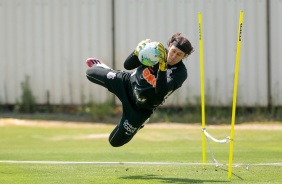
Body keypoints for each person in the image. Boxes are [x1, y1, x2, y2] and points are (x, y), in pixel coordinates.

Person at [86, 32, 194, 147]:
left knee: (114, 141)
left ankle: (139, 123)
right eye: (173, 51)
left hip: (141, 107)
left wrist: (162, 68)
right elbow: (127, 66)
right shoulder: (155, 52)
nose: (173, 56)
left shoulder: (180, 73)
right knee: (90, 73)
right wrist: (137, 52)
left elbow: (161, 92)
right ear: (169, 46)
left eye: (179, 54)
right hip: (128, 83)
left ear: (185, 56)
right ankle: (105, 69)